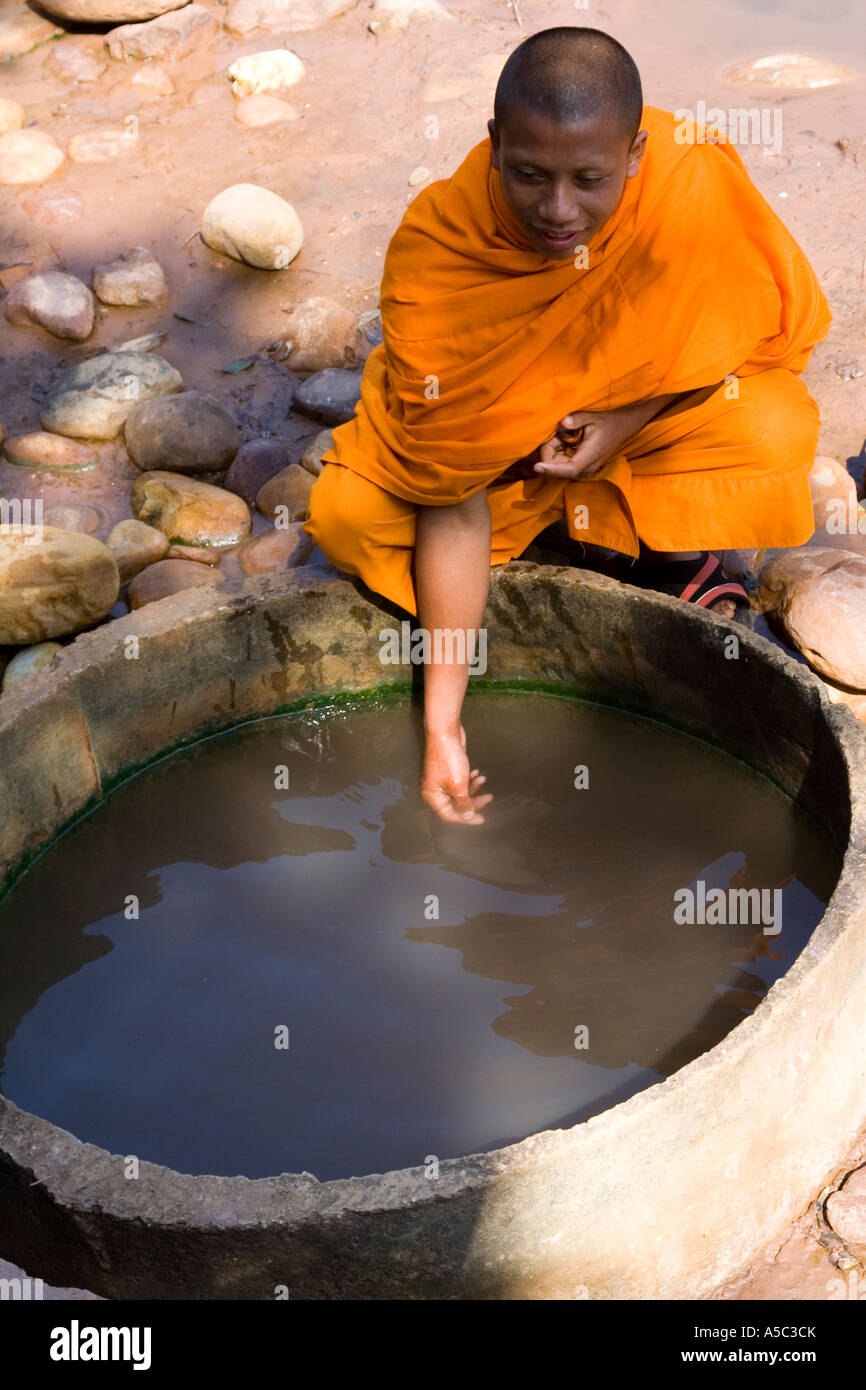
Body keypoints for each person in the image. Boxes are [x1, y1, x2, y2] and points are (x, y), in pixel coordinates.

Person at [304, 25, 831, 826]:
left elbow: (754, 335)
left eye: (589, 179)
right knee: (348, 522)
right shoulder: (439, 250)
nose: (558, 212)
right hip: (498, 470)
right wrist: (442, 725)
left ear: (636, 153)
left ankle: (645, 544)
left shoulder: (686, 182)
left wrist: (627, 416)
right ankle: (572, 535)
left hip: (627, 430)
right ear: (494, 143)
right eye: (527, 175)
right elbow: (452, 490)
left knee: (769, 427)